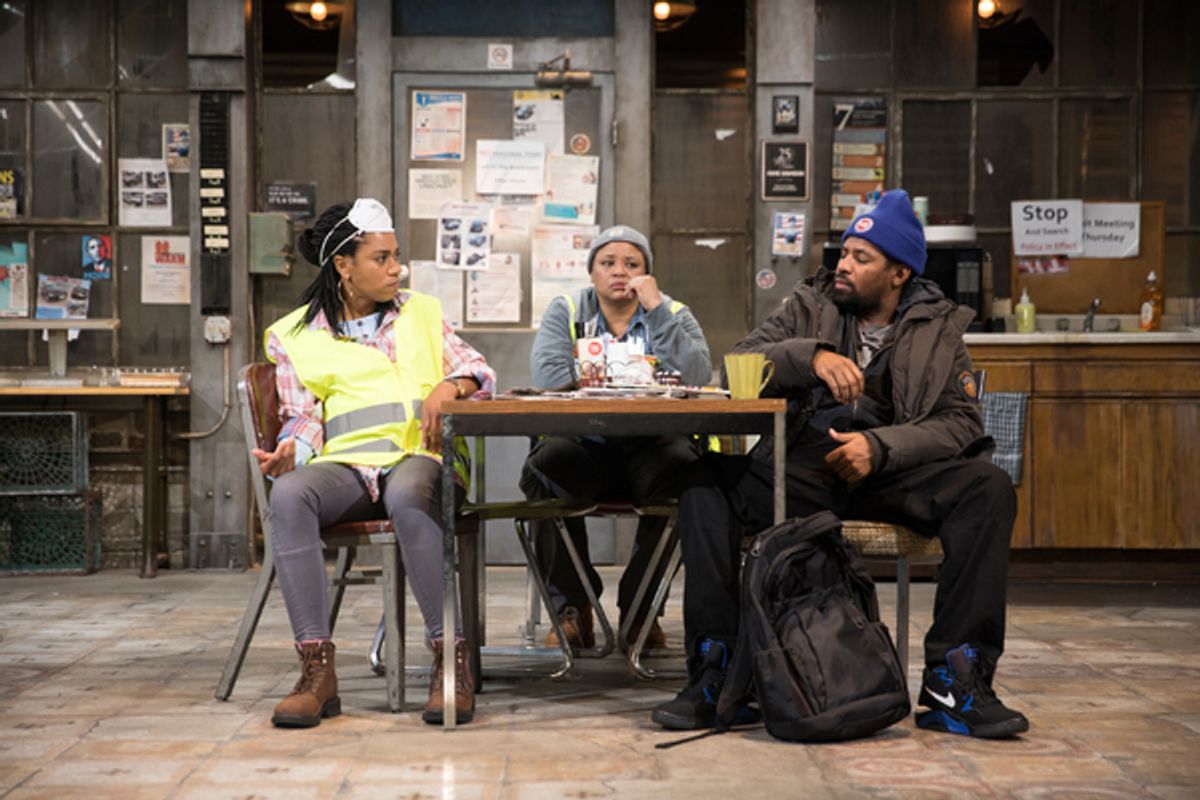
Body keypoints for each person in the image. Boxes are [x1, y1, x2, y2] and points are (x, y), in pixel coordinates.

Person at [653, 190, 1029, 740]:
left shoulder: (939, 328)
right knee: (702, 482)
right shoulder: (808, 305)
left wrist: (881, 449)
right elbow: (739, 363)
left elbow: (960, 423)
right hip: (806, 464)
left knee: (988, 489)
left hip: (893, 470)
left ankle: (956, 679)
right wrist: (811, 356)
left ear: (899, 272)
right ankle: (719, 670)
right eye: (844, 253)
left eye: (861, 258)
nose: (844, 266)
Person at [255, 198, 496, 728]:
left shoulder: (422, 313)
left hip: (420, 458)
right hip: (349, 467)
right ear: (343, 265)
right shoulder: (293, 335)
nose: (395, 269)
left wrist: (450, 384)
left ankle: (449, 664)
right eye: (381, 259)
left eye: (396, 257)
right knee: (290, 494)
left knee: (409, 494)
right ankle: (317, 672)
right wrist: (291, 447)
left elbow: (481, 372)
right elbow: (303, 416)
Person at [520, 225, 712, 653]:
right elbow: (549, 377)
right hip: (584, 444)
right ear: (592, 273)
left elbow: (698, 375)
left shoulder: (672, 311)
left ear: (648, 273)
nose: (619, 272)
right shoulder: (567, 309)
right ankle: (573, 608)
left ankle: (641, 608)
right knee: (545, 467)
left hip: (653, 446)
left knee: (689, 474)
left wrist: (656, 310)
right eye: (607, 263)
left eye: (632, 264)